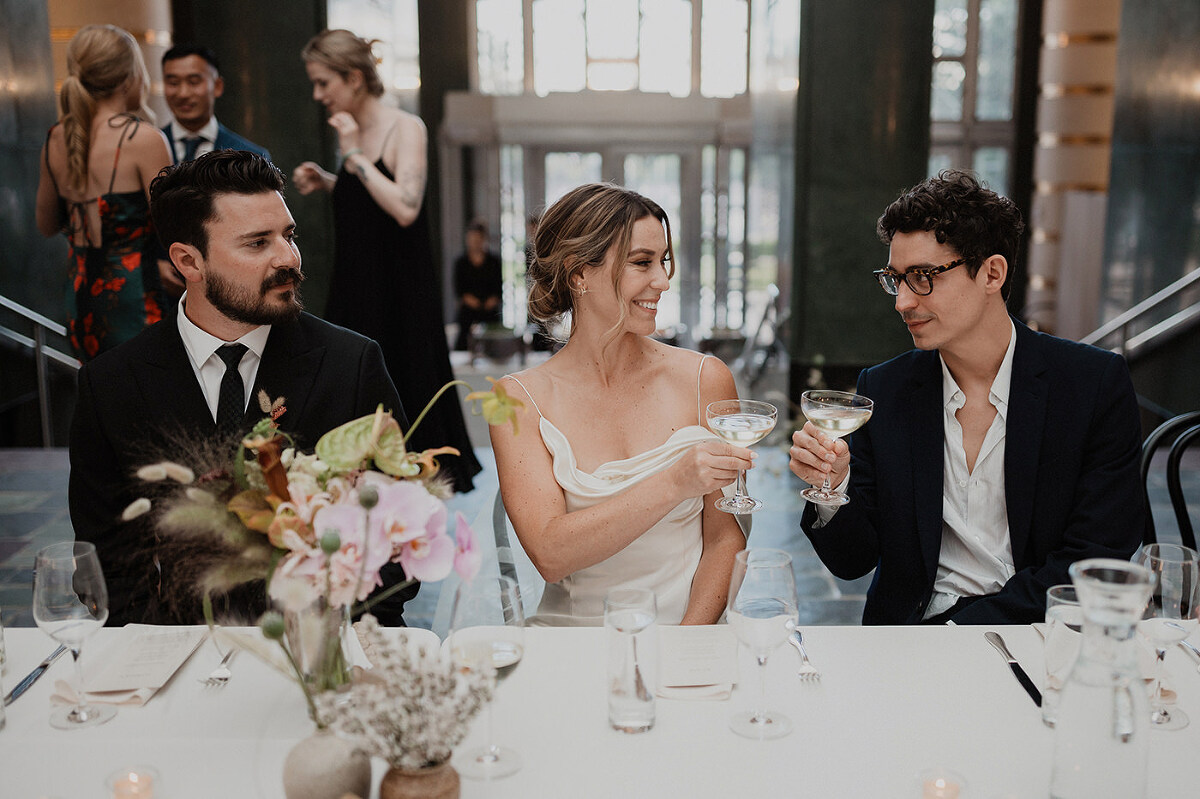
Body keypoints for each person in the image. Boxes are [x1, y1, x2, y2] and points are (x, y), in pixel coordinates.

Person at [68, 150, 417, 627]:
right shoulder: (111, 384)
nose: (288, 258)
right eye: (257, 243)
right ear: (189, 261)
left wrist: (327, 637)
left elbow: (400, 534)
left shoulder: (351, 364)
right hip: (179, 647)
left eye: (289, 235)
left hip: (327, 643)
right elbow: (106, 558)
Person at [788, 170, 1144, 626]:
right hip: (911, 638)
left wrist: (960, 633)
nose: (902, 302)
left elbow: (1093, 559)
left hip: (1040, 634)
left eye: (922, 277)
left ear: (992, 273)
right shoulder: (886, 389)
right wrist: (834, 488)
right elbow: (853, 560)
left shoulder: (1091, 385)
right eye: (896, 279)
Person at [490, 183, 753, 626]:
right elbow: (550, 554)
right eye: (641, 262)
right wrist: (674, 482)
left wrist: (686, 641)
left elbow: (727, 538)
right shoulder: (518, 400)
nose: (663, 281)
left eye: (663, 261)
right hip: (575, 642)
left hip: (691, 634)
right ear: (579, 273)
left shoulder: (706, 379)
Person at [293, 29, 481, 493]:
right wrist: (331, 180)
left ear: (354, 78)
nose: (318, 95)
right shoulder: (352, 134)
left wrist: (354, 155)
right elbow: (370, 202)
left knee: (402, 384)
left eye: (323, 83)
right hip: (356, 285)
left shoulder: (404, 128)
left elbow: (405, 207)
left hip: (398, 292)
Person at [35, 24, 171, 361]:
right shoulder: (142, 139)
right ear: (128, 77)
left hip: (79, 302)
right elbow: (176, 227)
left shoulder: (56, 138)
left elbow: (46, 225)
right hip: (135, 302)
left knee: (99, 389)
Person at [160, 44, 271, 165]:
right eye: (173, 83)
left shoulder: (252, 157)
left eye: (193, 82)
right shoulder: (150, 148)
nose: (183, 94)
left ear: (218, 86)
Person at [452, 219, 503, 351]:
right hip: (468, 312)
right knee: (464, 345)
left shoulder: (493, 262)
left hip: (489, 312)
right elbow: (459, 290)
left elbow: (498, 288)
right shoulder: (461, 263)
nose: (475, 242)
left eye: (478, 238)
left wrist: (491, 301)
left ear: (484, 239)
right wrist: (472, 301)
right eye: (472, 238)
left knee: (493, 346)